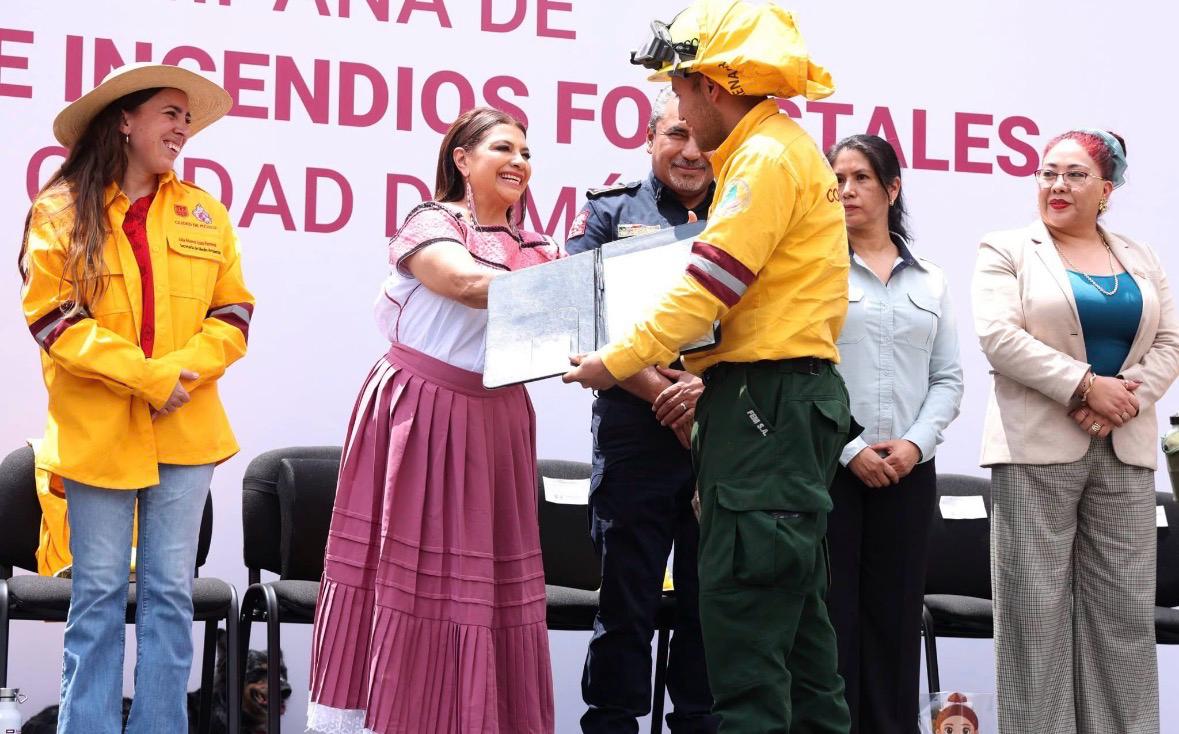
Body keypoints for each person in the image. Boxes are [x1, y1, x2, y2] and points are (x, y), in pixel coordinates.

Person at [564, 1, 855, 730]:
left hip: (765, 407)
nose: (682, 111)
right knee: (798, 642)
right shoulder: (776, 149)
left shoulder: (761, 157)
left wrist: (615, 360)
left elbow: (709, 287)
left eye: (682, 89)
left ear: (713, 88)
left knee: (746, 638)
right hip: (775, 407)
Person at [307, 106, 561, 734]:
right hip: (418, 414)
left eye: (527, 153)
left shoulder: (542, 244)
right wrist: (562, 287)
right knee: (405, 580)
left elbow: (566, 333)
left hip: (498, 422)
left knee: (489, 590)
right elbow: (464, 282)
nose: (519, 162)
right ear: (462, 159)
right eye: (503, 148)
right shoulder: (432, 222)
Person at [18, 62, 252, 733]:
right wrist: (152, 378)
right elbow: (54, 320)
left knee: (168, 601)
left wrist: (181, 371)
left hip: (187, 436)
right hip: (96, 435)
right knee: (94, 599)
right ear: (124, 119)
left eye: (187, 117)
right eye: (169, 113)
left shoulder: (206, 211)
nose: (182, 127)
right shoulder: (60, 209)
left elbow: (233, 314)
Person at [972, 129, 1179, 733]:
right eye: (1046, 173)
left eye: (1074, 175)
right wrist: (1088, 387)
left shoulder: (1141, 257)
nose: (1056, 186)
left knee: (1123, 620)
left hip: (1125, 449)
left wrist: (1121, 400)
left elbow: (1168, 345)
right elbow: (999, 338)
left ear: (1106, 189)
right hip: (1035, 448)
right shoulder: (1006, 248)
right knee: (1033, 617)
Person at [567, 86, 718, 734]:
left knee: (707, 602)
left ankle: (698, 723)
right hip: (635, 431)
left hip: (721, 434)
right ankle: (610, 722)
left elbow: (768, 325)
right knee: (626, 602)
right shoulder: (609, 213)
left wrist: (704, 398)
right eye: (673, 136)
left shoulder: (745, 214)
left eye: (699, 138)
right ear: (649, 141)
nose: (688, 151)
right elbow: (582, 321)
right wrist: (664, 393)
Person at [825, 134, 962, 733]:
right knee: (833, 623)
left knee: (896, 624)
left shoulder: (930, 279)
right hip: (832, 468)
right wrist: (852, 448)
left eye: (860, 178)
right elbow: (810, 373)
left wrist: (913, 446)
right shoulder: (816, 271)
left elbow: (949, 379)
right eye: (839, 179)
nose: (847, 190)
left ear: (892, 188)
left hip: (908, 473)